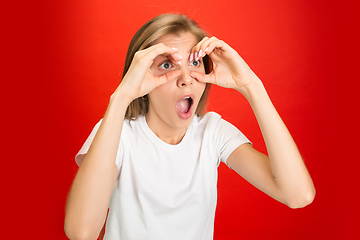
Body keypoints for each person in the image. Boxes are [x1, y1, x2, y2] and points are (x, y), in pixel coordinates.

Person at [64, 14, 315, 240]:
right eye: (167, 65)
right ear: (140, 76)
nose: (186, 79)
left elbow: (298, 195)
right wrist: (121, 98)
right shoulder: (115, 134)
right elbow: (81, 232)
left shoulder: (213, 132)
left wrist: (252, 86)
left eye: (194, 63)